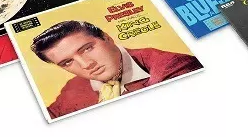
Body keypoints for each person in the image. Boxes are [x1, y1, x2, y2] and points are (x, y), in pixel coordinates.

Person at [30, 20, 202, 119]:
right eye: (67, 62)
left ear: (107, 38)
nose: (86, 65)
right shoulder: (73, 87)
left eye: (87, 49)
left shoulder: (174, 66)